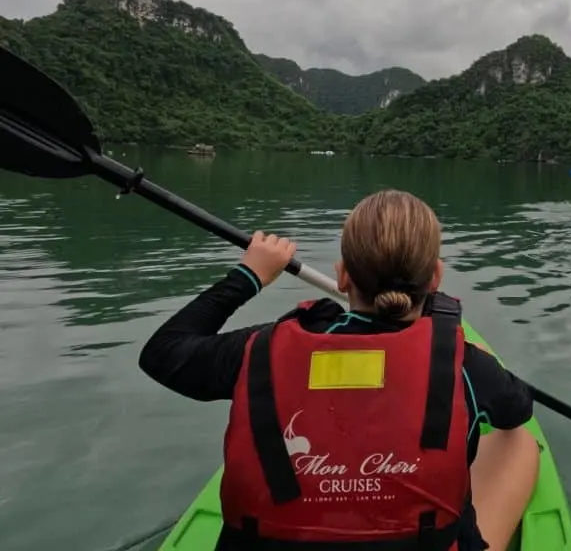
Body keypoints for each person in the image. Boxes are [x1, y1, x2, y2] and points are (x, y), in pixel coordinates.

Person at [139, 189, 539, 551]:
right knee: (518, 440)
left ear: (343, 276)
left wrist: (250, 275)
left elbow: (163, 353)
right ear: (435, 277)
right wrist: (467, 351)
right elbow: (518, 408)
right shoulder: (466, 364)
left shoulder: (259, 349)